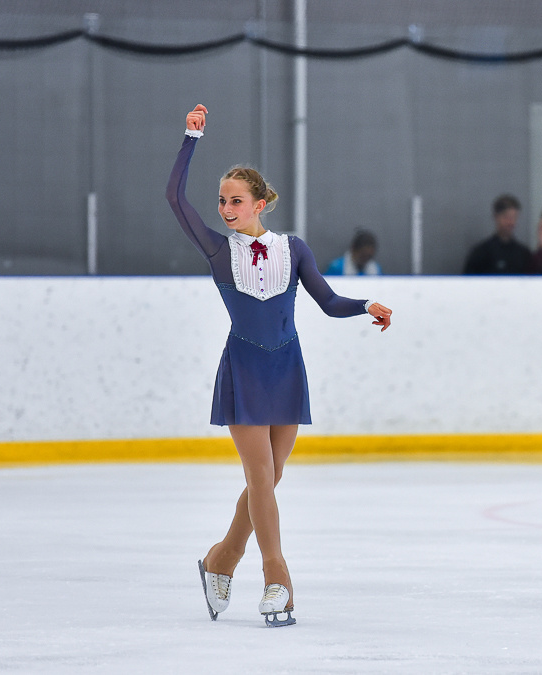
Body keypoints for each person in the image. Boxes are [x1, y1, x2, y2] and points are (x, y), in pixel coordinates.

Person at [166, 104, 392, 627]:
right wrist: (189, 140)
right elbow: (175, 198)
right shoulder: (218, 251)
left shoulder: (293, 249)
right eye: (222, 201)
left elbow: (329, 301)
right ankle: (277, 576)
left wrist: (365, 306)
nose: (226, 208)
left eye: (236, 200)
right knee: (261, 474)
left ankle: (220, 559)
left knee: (272, 476)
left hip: (287, 368)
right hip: (243, 369)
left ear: (260, 203)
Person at [463, 194, 533, 274]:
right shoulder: (481, 253)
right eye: (506, 217)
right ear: (496, 217)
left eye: (514, 217)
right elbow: (468, 283)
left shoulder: (524, 254)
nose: (511, 222)